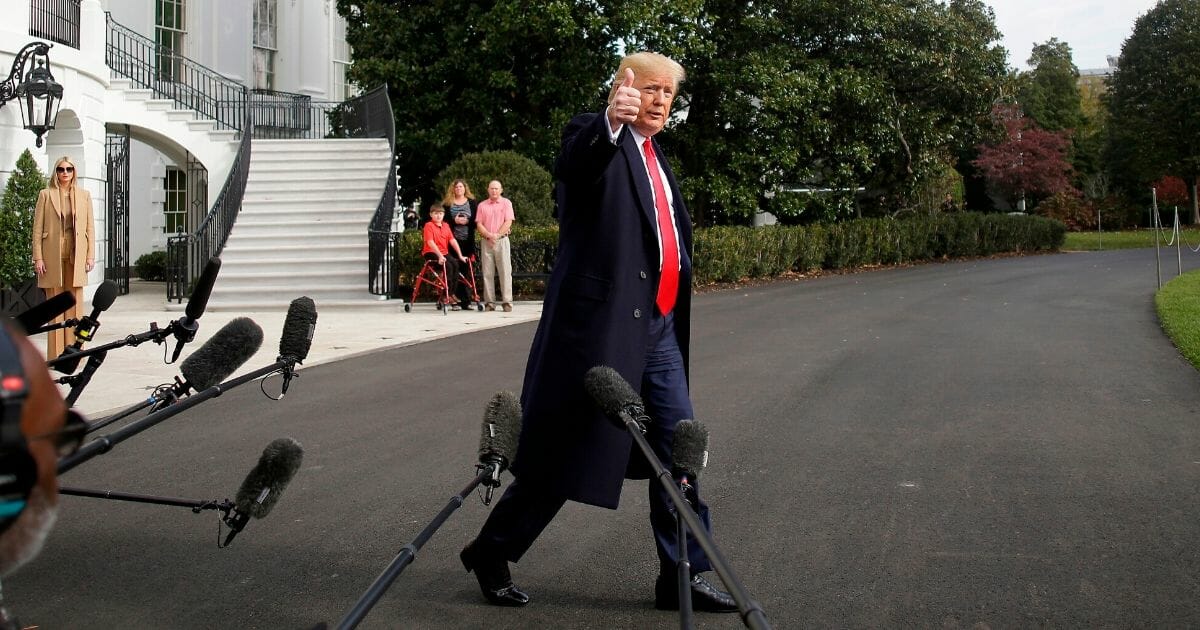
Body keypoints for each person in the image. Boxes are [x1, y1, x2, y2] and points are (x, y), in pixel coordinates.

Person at [460, 52, 737, 613]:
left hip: (657, 335)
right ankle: (492, 550)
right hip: (600, 335)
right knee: (565, 454)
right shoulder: (595, 137)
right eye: (649, 89)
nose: (659, 100)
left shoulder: (659, 160)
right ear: (623, 90)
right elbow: (576, 167)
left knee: (678, 451)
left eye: (668, 93)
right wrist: (610, 121)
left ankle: (681, 575)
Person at [32, 156, 95, 359]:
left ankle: (75, 351)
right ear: (56, 172)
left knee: (75, 304)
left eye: (69, 169)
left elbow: (90, 229)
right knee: (55, 305)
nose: (65, 173)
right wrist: (38, 258)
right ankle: (55, 353)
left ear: (74, 172)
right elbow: (37, 229)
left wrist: (90, 256)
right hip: (52, 254)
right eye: (61, 169)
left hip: (76, 253)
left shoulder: (84, 195)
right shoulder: (45, 195)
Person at [475, 180, 515, 312]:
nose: (494, 191)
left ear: (501, 190)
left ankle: (507, 302)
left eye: (496, 188)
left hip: (502, 240)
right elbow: (479, 223)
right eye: (492, 188)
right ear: (488, 190)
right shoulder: (482, 205)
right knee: (487, 272)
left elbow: (508, 221)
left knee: (505, 272)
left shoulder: (506, 203)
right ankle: (490, 303)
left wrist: (496, 235)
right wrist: (488, 235)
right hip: (486, 241)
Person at [420, 204, 467, 309]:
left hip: (444, 253)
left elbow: (452, 240)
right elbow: (430, 242)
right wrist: (440, 256)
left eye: (440, 214)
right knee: (448, 267)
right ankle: (447, 295)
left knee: (455, 264)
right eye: (436, 213)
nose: (438, 216)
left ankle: (450, 293)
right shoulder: (429, 225)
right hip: (431, 252)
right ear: (431, 214)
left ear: (443, 215)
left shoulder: (446, 225)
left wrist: (460, 255)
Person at [443, 179, 478, 310]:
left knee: (467, 271)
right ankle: (453, 299)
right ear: (453, 189)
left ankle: (467, 300)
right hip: (452, 242)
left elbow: (476, 221)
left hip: (467, 241)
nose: (458, 189)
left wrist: (466, 221)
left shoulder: (472, 202)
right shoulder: (447, 204)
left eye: (461, 187)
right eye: (456, 187)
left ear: (465, 188)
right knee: (453, 270)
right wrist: (455, 221)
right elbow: (444, 222)